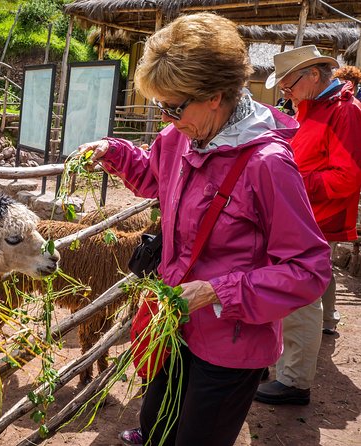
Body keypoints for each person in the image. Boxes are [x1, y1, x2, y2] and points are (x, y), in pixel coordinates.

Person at [77, 13, 332, 446]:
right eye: (161, 106)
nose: (167, 118)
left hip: (231, 342)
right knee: (157, 421)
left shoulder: (267, 164)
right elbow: (156, 177)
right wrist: (115, 152)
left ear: (216, 96)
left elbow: (308, 270)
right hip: (175, 321)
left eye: (173, 107)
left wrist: (217, 291)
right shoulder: (181, 136)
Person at [255, 46, 361, 406]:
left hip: (313, 217)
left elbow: (347, 178)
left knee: (298, 296)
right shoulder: (314, 107)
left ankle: (293, 380)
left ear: (313, 76)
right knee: (315, 282)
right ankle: (305, 353)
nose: (284, 90)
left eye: (288, 83)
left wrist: (293, 180)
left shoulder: (344, 113)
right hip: (306, 214)